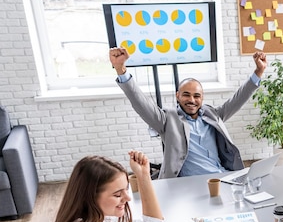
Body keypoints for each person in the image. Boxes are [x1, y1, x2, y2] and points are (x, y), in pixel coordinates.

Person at [109, 47, 268, 179]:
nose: (191, 100)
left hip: (222, 177)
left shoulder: (212, 115)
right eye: (186, 95)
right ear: (177, 95)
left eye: (197, 96)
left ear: (202, 98)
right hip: (189, 184)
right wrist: (121, 70)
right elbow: (141, 103)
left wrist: (258, 71)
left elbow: (237, 99)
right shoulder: (167, 120)